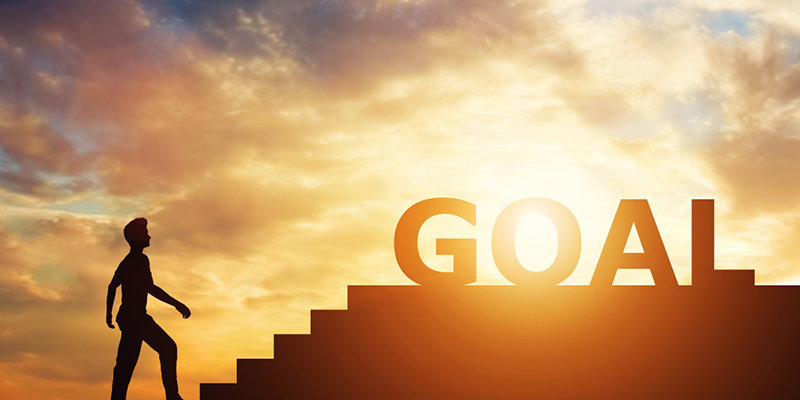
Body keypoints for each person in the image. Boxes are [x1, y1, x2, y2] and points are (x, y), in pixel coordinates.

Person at [107, 218, 191, 400]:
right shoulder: (138, 260)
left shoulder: (129, 261)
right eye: (146, 233)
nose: (149, 236)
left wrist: (109, 314)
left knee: (126, 364)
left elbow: (113, 286)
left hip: (132, 318)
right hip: (135, 318)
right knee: (167, 348)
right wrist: (177, 303)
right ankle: (172, 396)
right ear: (137, 238)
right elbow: (150, 288)